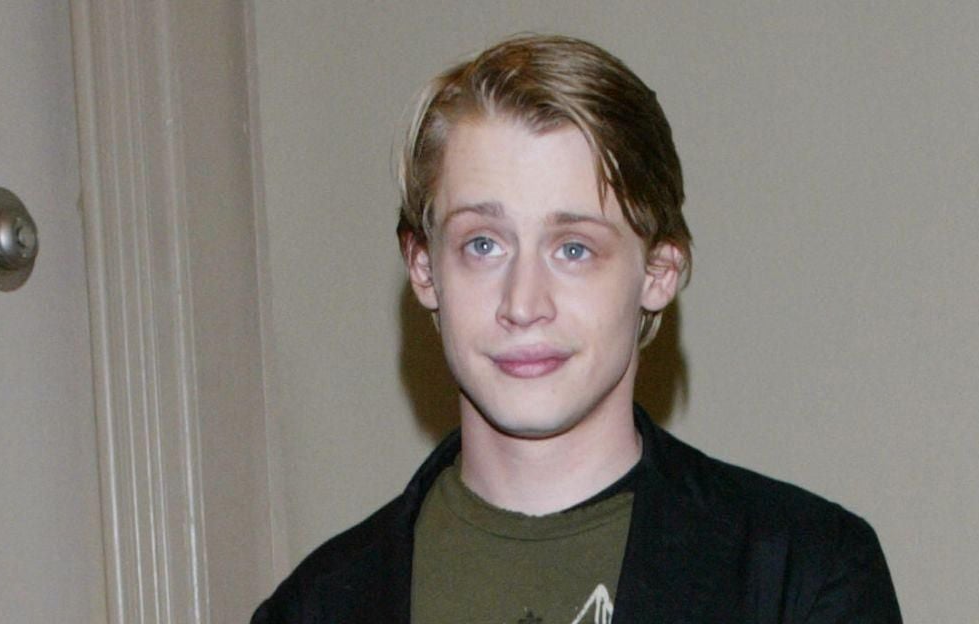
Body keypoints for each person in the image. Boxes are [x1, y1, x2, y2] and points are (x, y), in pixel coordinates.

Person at [252, 34, 901, 623]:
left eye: (573, 249)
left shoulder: (804, 575)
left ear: (658, 272)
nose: (523, 302)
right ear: (424, 270)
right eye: (483, 244)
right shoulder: (314, 608)